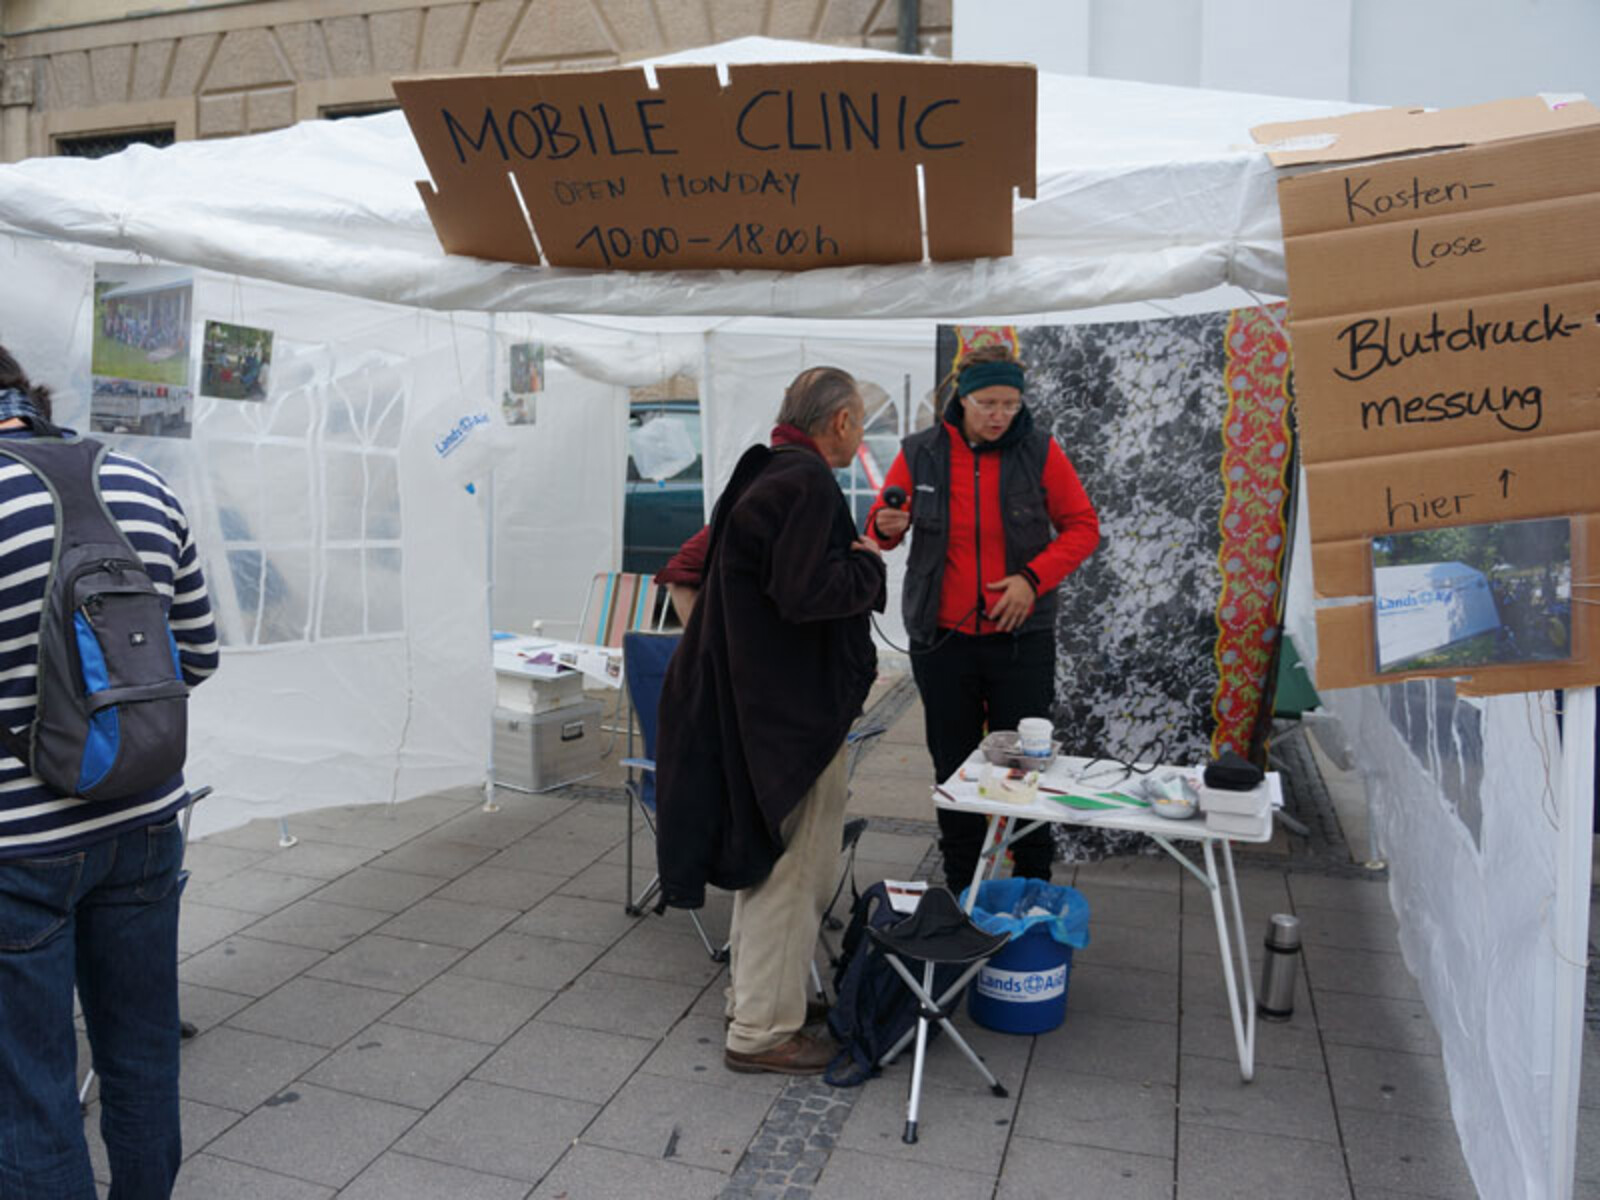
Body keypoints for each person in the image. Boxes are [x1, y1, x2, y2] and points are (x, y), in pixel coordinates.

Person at [0, 344, 219, 1199]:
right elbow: (195, 654)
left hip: (17, 848)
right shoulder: (139, 482)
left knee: (30, 1093)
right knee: (141, 1057)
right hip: (144, 821)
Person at [654, 366, 886, 1076]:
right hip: (783, 719)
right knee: (796, 871)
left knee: (772, 864)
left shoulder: (765, 472)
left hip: (757, 710)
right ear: (841, 421)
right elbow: (804, 591)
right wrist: (869, 566)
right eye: (860, 424)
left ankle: (759, 999)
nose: (860, 436)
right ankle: (761, 1031)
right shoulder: (805, 481)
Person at [865, 344, 1099, 893]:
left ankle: (1033, 877)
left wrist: (1031, 579)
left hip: (1022, 639)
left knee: (1026, 764)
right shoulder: (920, 452)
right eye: (989, 402)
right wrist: (888, 523)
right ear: (961, 399)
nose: (1000, 415)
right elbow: (880, 531)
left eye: (1010, 404)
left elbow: (1083, 526)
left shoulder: (1039, 450)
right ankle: (962, 880)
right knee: (952, 762)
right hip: (941, 639)